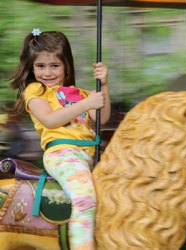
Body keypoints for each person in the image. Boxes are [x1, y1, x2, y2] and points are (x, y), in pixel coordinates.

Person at [10, 29, 111, 250]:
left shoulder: (80, 94)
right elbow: (50, 120)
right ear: (32, 67)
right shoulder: (35, 90)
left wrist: (103, 85)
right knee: (85, 200)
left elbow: (101, 119)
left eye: (54, 65)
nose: (47, 72)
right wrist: (87, 104)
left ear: (66, 65)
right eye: (40, 66)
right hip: (62, 154)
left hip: (90, 158)